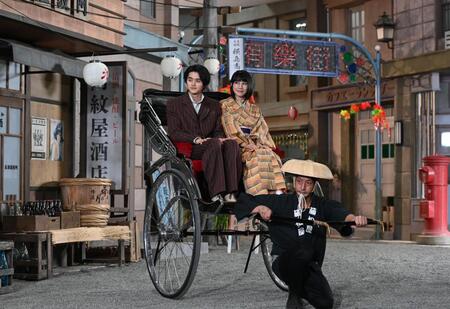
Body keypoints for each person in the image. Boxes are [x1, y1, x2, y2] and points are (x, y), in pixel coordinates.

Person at [235, 159, 368, 309]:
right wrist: (260, 208)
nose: (302, 187)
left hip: (309, 265)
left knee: (326, 303)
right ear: (294, 182)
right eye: (299, 182)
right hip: (283, 262)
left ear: (314, 185)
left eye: (308, 183)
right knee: (304, 249)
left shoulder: (323, 205)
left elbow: (342, 215)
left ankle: (298, 290)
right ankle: (294, 295)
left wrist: (354, 219)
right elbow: (245, 200)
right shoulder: (281, 201)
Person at [166, 64, 242, 203]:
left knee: (231, 144)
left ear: (204, 84)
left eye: (198, 81)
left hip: (211, 144)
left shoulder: (213, 105)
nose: (193, 84)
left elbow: (218, 130)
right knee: (213, 143)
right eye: (190, 80)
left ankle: (231, 192)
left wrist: (220, 139)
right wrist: (195, 139)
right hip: (190, 147)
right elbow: (174, 132)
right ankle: (216, 192)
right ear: (186, 82)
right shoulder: (174, 104)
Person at [221, 70, 286, 196]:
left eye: (244, 83)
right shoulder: (225, 105)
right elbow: (229, 128)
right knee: (256, 156)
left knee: (269, 154)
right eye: (237, 83)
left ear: (249, 86)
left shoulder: (255, 109)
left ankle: (274, 193)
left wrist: (260, 143)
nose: (240, 87)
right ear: (232, 85)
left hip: (255, 144)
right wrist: (245, 144)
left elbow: (262, 130)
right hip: (237, 146)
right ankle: (259, 194)